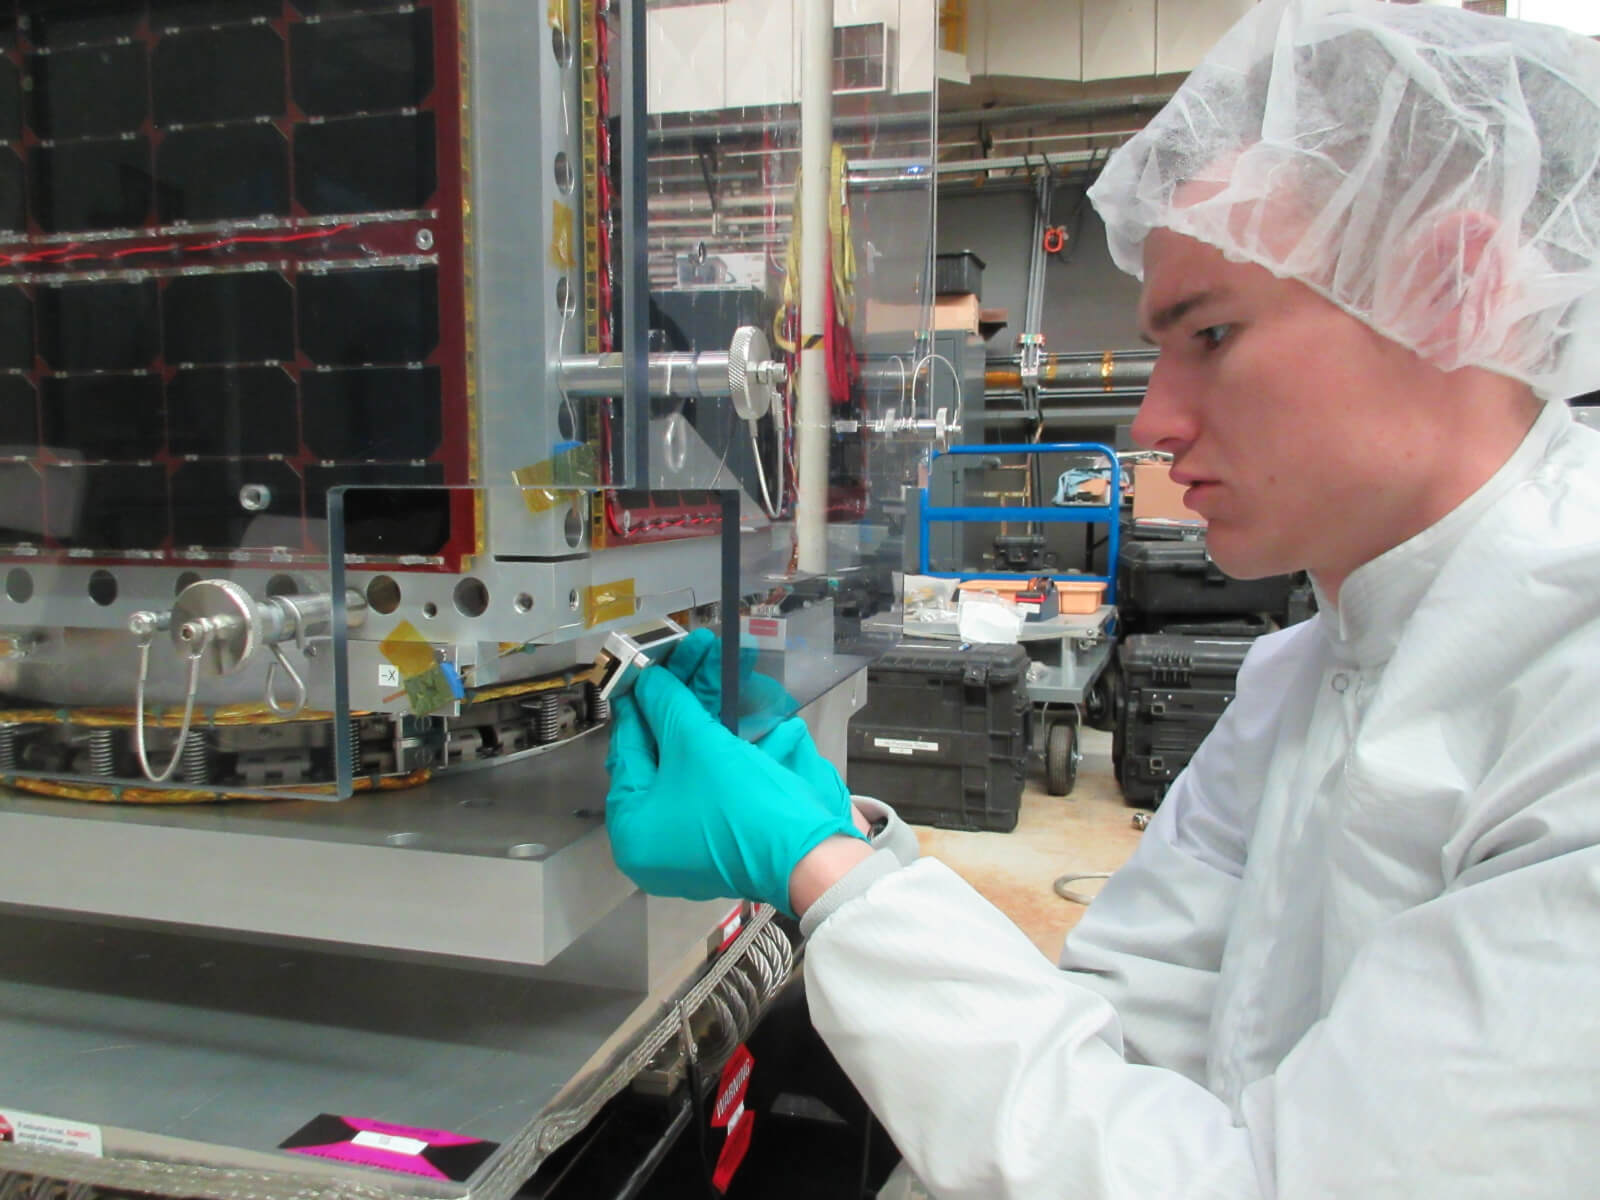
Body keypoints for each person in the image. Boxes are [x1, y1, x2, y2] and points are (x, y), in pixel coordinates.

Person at [604, 1, 1600, 1194]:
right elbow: (1116, 1030)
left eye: (1214, 334)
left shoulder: (1571, 697)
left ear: (1451, 282)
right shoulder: (1314, 670)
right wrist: (853, 847)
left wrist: (818, 874)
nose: (1151, 421)